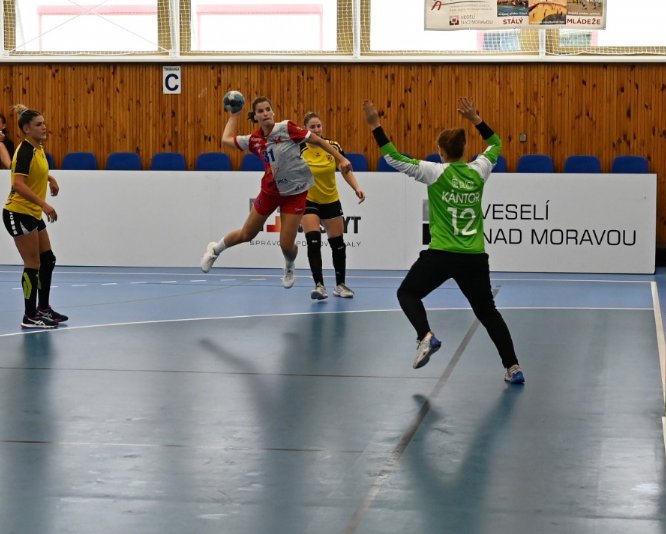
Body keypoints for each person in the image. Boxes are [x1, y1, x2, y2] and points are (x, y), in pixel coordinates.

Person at [363, 97, 525, 384]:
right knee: (488, 313)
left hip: (442, 254)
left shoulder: (434, 172)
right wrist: (476, 120)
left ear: (440, 152)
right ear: (465, 150)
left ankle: (425, 336)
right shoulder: (479, 170)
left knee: (407, 293)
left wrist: (375, 125)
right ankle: (513, 368)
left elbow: (393, 158)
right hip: (474, 257)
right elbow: (496, 143)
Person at [200, 95, 351, 288]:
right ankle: (215, 250)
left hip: (295, 194)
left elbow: (318, 140)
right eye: (260, 111)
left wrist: (341, 159)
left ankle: (289, 265)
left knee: (286, 245)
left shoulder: (287, 128)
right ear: (255, 116)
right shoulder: (254, 140)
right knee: (247, 234)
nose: (265, 113)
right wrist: (234, 115)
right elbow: (226, 140)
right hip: (270, 193)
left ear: (272, 112)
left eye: (267, 109)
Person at [3, 105, 67, 329]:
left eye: (44, 123)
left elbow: (34, 171)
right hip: (18, 213)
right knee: (32, 264)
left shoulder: (37, 148)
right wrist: (44, 204)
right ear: (27, 129)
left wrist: (50, 178)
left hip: (31, 213)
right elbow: (18, 184)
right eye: (39, 124)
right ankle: (29, 316)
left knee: (47, 260)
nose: (44, 127)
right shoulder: (25, 151)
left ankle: (44, 308)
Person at [300, 112, 366, 300]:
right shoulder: (300, 148)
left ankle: (340, 285)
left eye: (318, 126)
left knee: (338, 245)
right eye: (312, 127)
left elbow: (345, 169)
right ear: (306, 129)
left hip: (330, 200)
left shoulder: (333, 147)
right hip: (308, 200)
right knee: (313, 242)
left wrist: (357, 187)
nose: (316, 130)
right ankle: (319, 286)